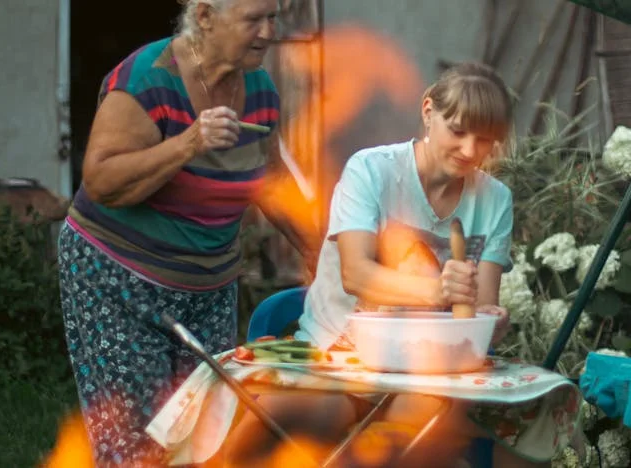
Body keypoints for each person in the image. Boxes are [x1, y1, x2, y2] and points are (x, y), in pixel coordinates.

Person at [224, 63, 549, 467]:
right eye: (458, 131)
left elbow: (480, 305)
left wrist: (489, 320)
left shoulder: (494, 198)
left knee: (432, 436)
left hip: (427, 368)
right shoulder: (372, 170)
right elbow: (355, 274)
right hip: (338, 356)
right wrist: (437, 290)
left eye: (484, 140)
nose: (470, 151)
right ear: (429, 111)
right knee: (279, 427)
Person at [57, 0, 316, 465]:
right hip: (118, 279)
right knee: (137, 440)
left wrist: (321, 250)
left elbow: (271, 177)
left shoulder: (258, 85)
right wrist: (189, 143)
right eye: (254, 19)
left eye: (273, 18)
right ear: (204, 16)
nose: (269, 31)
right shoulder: (147, 79)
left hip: (207, 286)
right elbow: (101, 180)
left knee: (204, 434)